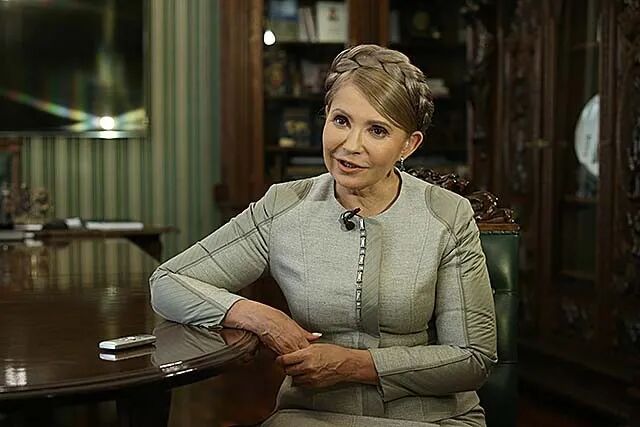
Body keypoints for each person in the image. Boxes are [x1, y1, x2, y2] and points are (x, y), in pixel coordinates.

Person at [149, 44, 497, 426]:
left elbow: (473, 358)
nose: (351, 146)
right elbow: (168, 282)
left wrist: (355, 365)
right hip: (314, 416)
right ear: (326, 116)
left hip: (433, 419)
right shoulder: (283, 206)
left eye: (377, 130)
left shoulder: (448, 215)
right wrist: (262, 317)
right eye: (341, 120)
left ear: (408, 145)